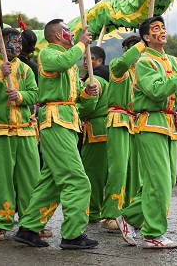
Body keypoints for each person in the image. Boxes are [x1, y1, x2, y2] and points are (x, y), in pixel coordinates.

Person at [117, 16, 177, 249]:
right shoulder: (143, 61)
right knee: (158, 181)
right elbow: (155, 90)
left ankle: (129, 217)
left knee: (166, 181)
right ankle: (152, 234)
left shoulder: (176, 61)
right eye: (156, 29)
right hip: (151, 122)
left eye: (164, 27)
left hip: (170, 124)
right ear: (146, 37)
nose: (162, 31)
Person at [13, 19, 99, 249]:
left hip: (68, 121)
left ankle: (29, 228)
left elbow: (76, 94)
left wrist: (88, 92)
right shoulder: (49, 54)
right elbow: (62, 63)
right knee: (77, 180)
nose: (72, 34)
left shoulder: (69, 63)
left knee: (51, 182)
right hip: (55, 120)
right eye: (68, 30)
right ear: (58, 35)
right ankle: (73, 234)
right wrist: (81, 45)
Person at [0, 28, 39, 241]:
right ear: (0, 43)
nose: (18, 46)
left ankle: (30, 223)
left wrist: (20, 95)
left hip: (25, 131)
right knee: (1, 180)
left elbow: (34, 93)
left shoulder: (26, 69)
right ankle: (0, 223)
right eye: (13, 42)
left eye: (20, 42)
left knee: (30, 179)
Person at [99, 35, 145, 228]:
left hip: (137, 122)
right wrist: (144, 42)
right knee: (118, 168)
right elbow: (124, 63)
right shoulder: (118, 66)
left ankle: (129, 214)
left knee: (135, 171)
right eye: (136, 49)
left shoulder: (142, 72)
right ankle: (110, 214)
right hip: (119, 119)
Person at [78, 45, 110, 223]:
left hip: (96, 129)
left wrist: (74, 110)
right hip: (109, 128)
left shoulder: (95, 79)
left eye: (88, 58)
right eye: (83, 58)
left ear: (99, 61)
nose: (84, 62)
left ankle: (94, 210)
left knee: (93, 173)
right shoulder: (110, 76)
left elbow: (88, 104)